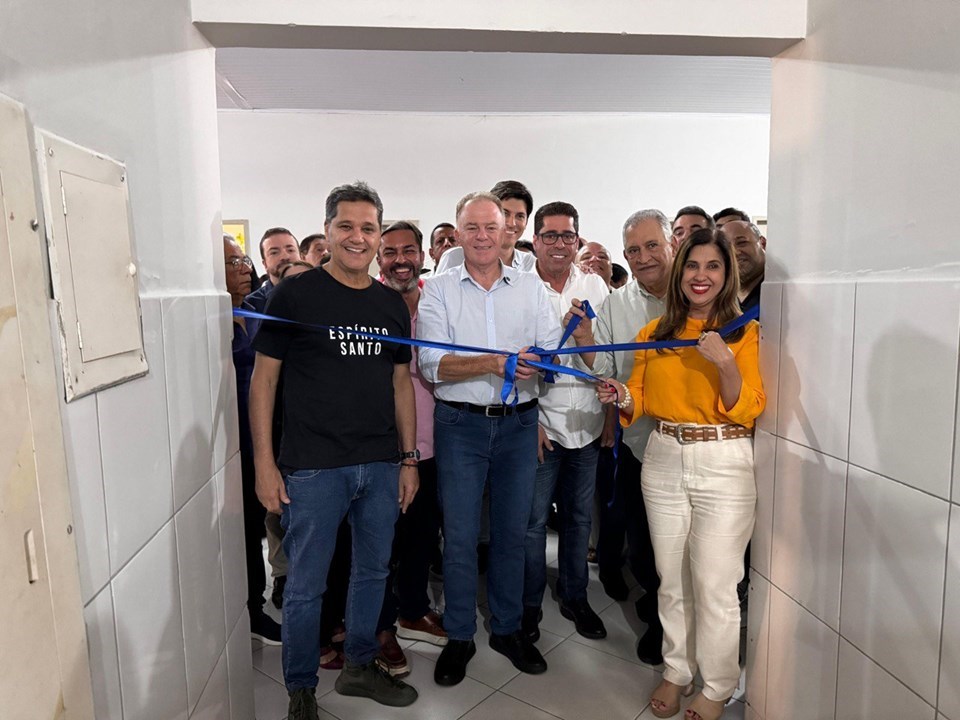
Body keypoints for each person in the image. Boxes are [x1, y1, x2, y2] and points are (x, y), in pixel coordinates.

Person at [250, 181, 420, 716]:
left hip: (380, 463)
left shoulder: (390, 304)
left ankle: (359, 667)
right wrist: (263, 463)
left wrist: (409, 459)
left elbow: (401, 384)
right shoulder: (295, 295)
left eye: (368, 227)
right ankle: (300, 688)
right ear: (327, 231)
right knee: (306, 585)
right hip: (314, 467)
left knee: (373, 573)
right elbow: (263, 381)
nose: (357, 236)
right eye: (346, 225)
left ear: (379, 235)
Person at [597, 227, 764, 720]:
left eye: (713, 266)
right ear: (680, 271)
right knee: (671, 579)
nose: (700, 275)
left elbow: (749, 408)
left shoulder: (746, 332)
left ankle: (718, 684)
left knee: (715, 583)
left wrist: (726, 363)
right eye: (693, 265)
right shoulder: (655, 333)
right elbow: (641, 397)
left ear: (727, 274)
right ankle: (677, 669)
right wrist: (620, 396)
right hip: (664, 454)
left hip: (724, 460)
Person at [417, 191, 562, 686]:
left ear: (507, 232)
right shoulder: (438, 290)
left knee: (512, 532)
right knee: (459, 535)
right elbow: (432, 364)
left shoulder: (531, 288)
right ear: (457, 233)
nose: (482, 236)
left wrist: (539, 362)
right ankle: (460, 634)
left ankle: (506, 628)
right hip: (461, 425)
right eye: (472, 227)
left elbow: (551, 354)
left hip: (519, 424)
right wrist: (495, 362)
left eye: (491, 227)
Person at [581, 209, 674, 665]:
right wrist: (584, 340)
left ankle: (680, 626)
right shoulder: (617, 305)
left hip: (695, 447)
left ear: (673, 244)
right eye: (633, 250)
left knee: (685, 548)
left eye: (652, 245)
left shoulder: (700, 296)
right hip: (641, 446)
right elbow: (605, 368)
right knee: (642, 544)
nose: (643, 257)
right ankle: (658, 616)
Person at [522, 202, 609, 643]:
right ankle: (528, 605)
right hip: (542, 426)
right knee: (533, 522)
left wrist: (609, 418)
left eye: (568, 236)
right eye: (550, 235)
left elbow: (607, 358)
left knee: (578, 519)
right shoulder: (520, 287)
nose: (559, 244)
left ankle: (576, 596)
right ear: (535, 240)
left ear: (578, 240)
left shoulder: (594, 284)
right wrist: (530, 422)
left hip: (587, 423)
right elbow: (514, 362)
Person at [374, 221, 448, 678]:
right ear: (379, 258)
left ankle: (413, 609)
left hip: (434, 442)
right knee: (381, 541)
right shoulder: (368, 305)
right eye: (390, 252)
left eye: (408, 251)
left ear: (422, 255)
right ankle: (381, 626)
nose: (400, 260)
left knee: (422, 534)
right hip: (383, 447)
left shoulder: (439, 301)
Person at [223, 234, 283, 646]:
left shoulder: (257, 311)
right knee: (242, 528)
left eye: (243, 259)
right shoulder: (211, 320)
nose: (244, 268)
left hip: (266, 431)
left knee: (260, 521)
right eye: (232, 262)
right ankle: (249, 609)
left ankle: (256, 604)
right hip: (231, 440)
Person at [434, 180, 537, 274]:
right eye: (505, 213)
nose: (512, 223)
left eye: (520, 216)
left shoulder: (531, 265)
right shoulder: (454, 258)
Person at [722, 220, 766, 312]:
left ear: (763, 243)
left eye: (741, 243)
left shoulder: (784, 293)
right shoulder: (717, 298)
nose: (734, 252)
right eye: (726, 247)